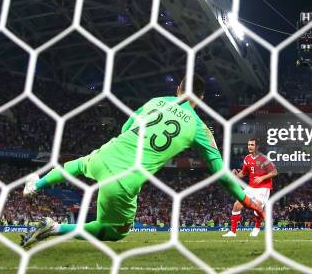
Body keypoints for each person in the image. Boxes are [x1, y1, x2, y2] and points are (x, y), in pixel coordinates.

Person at [19, 75, 264, 248]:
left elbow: (127, 126)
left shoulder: (156, 101)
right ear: (199, 99)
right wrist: (245, 200)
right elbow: (221, 174)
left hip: (107, 153)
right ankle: (54, 228)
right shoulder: (200, 128)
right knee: (114, 231)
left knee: (80, 164)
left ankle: (37, 184)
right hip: (125, 179)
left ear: (178, 89)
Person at [223, 138, 277, 237]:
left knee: (257, 206)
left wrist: (262, 178)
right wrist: (235, 175)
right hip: (251, 187)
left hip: (263, 188)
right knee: (237, 205)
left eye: (252, 145)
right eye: (249, 145)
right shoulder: (247, 158)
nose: (250, 147)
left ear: (257, 146)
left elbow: (274, 172)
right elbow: (243, 173)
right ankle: (233, 232)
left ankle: (256, 228)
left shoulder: (264, 158)